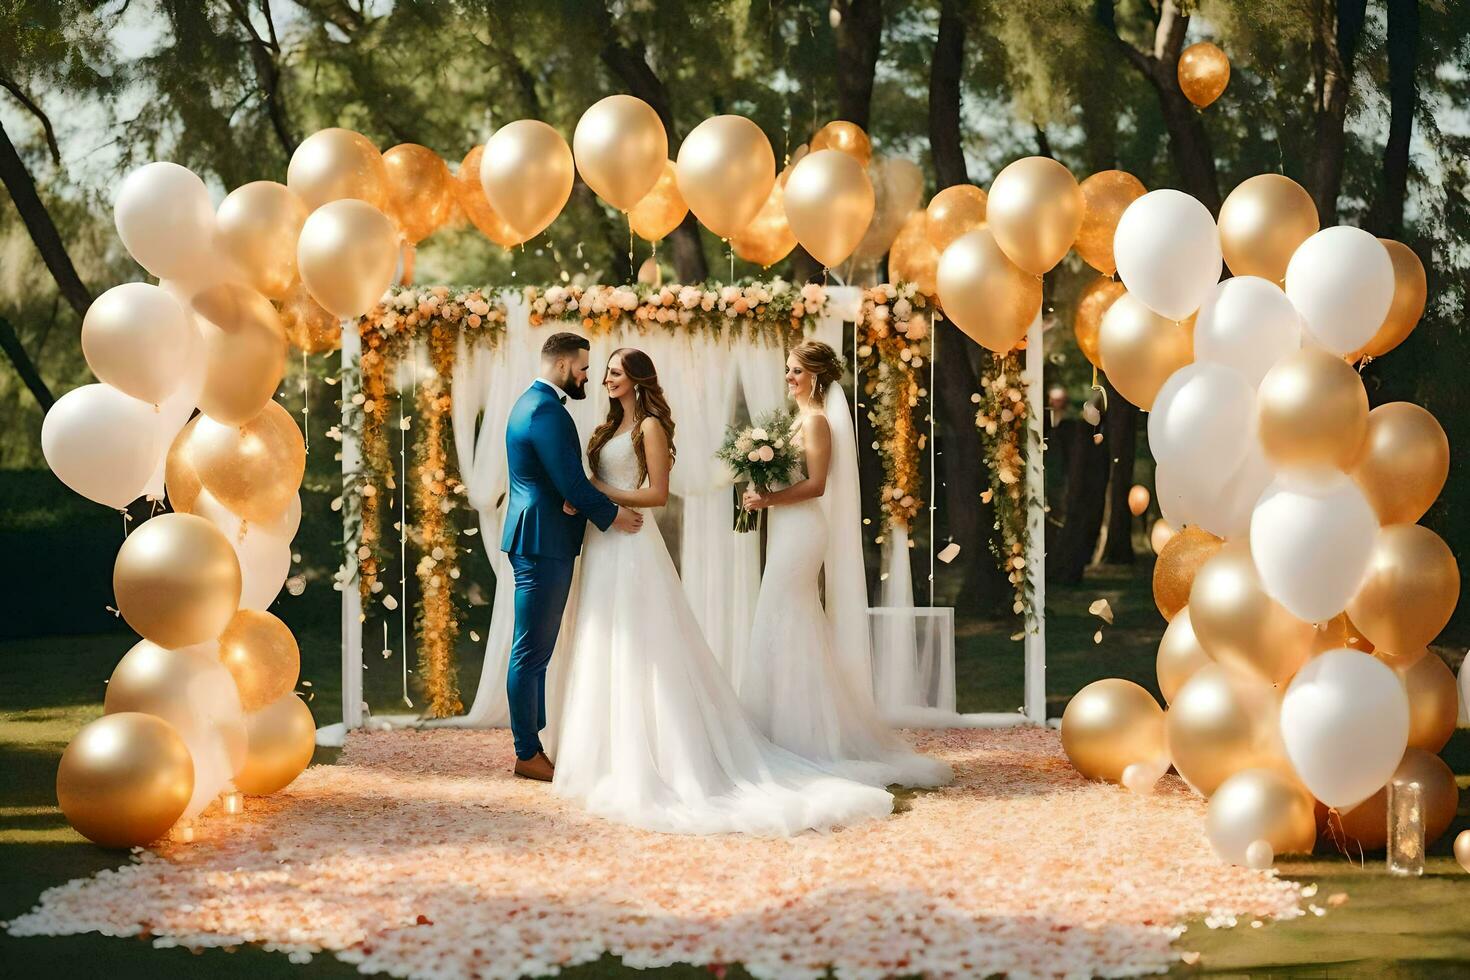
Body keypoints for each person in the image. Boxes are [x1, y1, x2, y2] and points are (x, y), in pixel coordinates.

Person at [550, 347, 894, 835]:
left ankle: (746, 737)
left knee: (650, 636)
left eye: (615, 373)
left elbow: (656, 495)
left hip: (629, 536)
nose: (606, 379)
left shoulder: (651, 427)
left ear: (638, 379)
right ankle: (600, 749)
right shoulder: (608, 428)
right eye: (604, 372)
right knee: (602, 634)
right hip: (605, 539)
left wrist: (594, 495)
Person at [739, 340, 952, 789]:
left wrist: (768, 498)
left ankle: (807, 732)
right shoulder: (796, 421)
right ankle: (781, 724)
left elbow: (816, 485)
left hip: (802, 530)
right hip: (786, 527)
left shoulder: (817, 423)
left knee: (786, 611)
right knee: (785, 615)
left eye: (796, 371)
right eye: (787, 371)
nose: (789, 378)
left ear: (816, 376)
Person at [500, 332, 643, 782]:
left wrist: (573, 498)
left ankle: (536, 741)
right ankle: (527, 752)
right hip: (542, 541)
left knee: (535, 650)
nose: (587, 376)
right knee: (531, 651)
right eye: (583, 368)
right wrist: (613, 514)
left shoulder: (533, 404)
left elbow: (556, 480)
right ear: (563, 366)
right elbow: (572, 481)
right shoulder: (545, 410)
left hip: (541, 534)